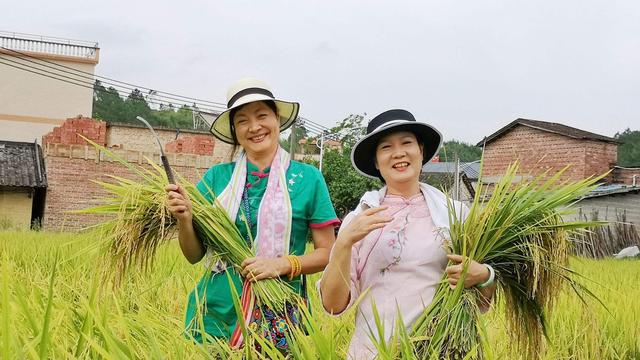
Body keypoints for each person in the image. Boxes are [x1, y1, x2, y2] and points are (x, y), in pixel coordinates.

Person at [166, 78, 340, 347]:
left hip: (278, 311)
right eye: (243, 120)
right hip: (215, 312)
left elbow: (327, 253)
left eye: (262, 115)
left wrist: (281, 264)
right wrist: (185, 220)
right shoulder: (217, 179)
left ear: (277, 120)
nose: (254, 127)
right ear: (235, 130)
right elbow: (194, 255)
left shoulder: (308, 179)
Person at [318, 109, 496, 359]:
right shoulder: (361, 219)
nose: (398, 152)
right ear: (377, 163)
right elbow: (333, 304)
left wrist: (485, 275)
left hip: (440, 349)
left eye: (406, 143)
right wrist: (345, 242)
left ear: (421, 151)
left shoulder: (456, 215)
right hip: (375, 350)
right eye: (386, 147)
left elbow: (481, 297)